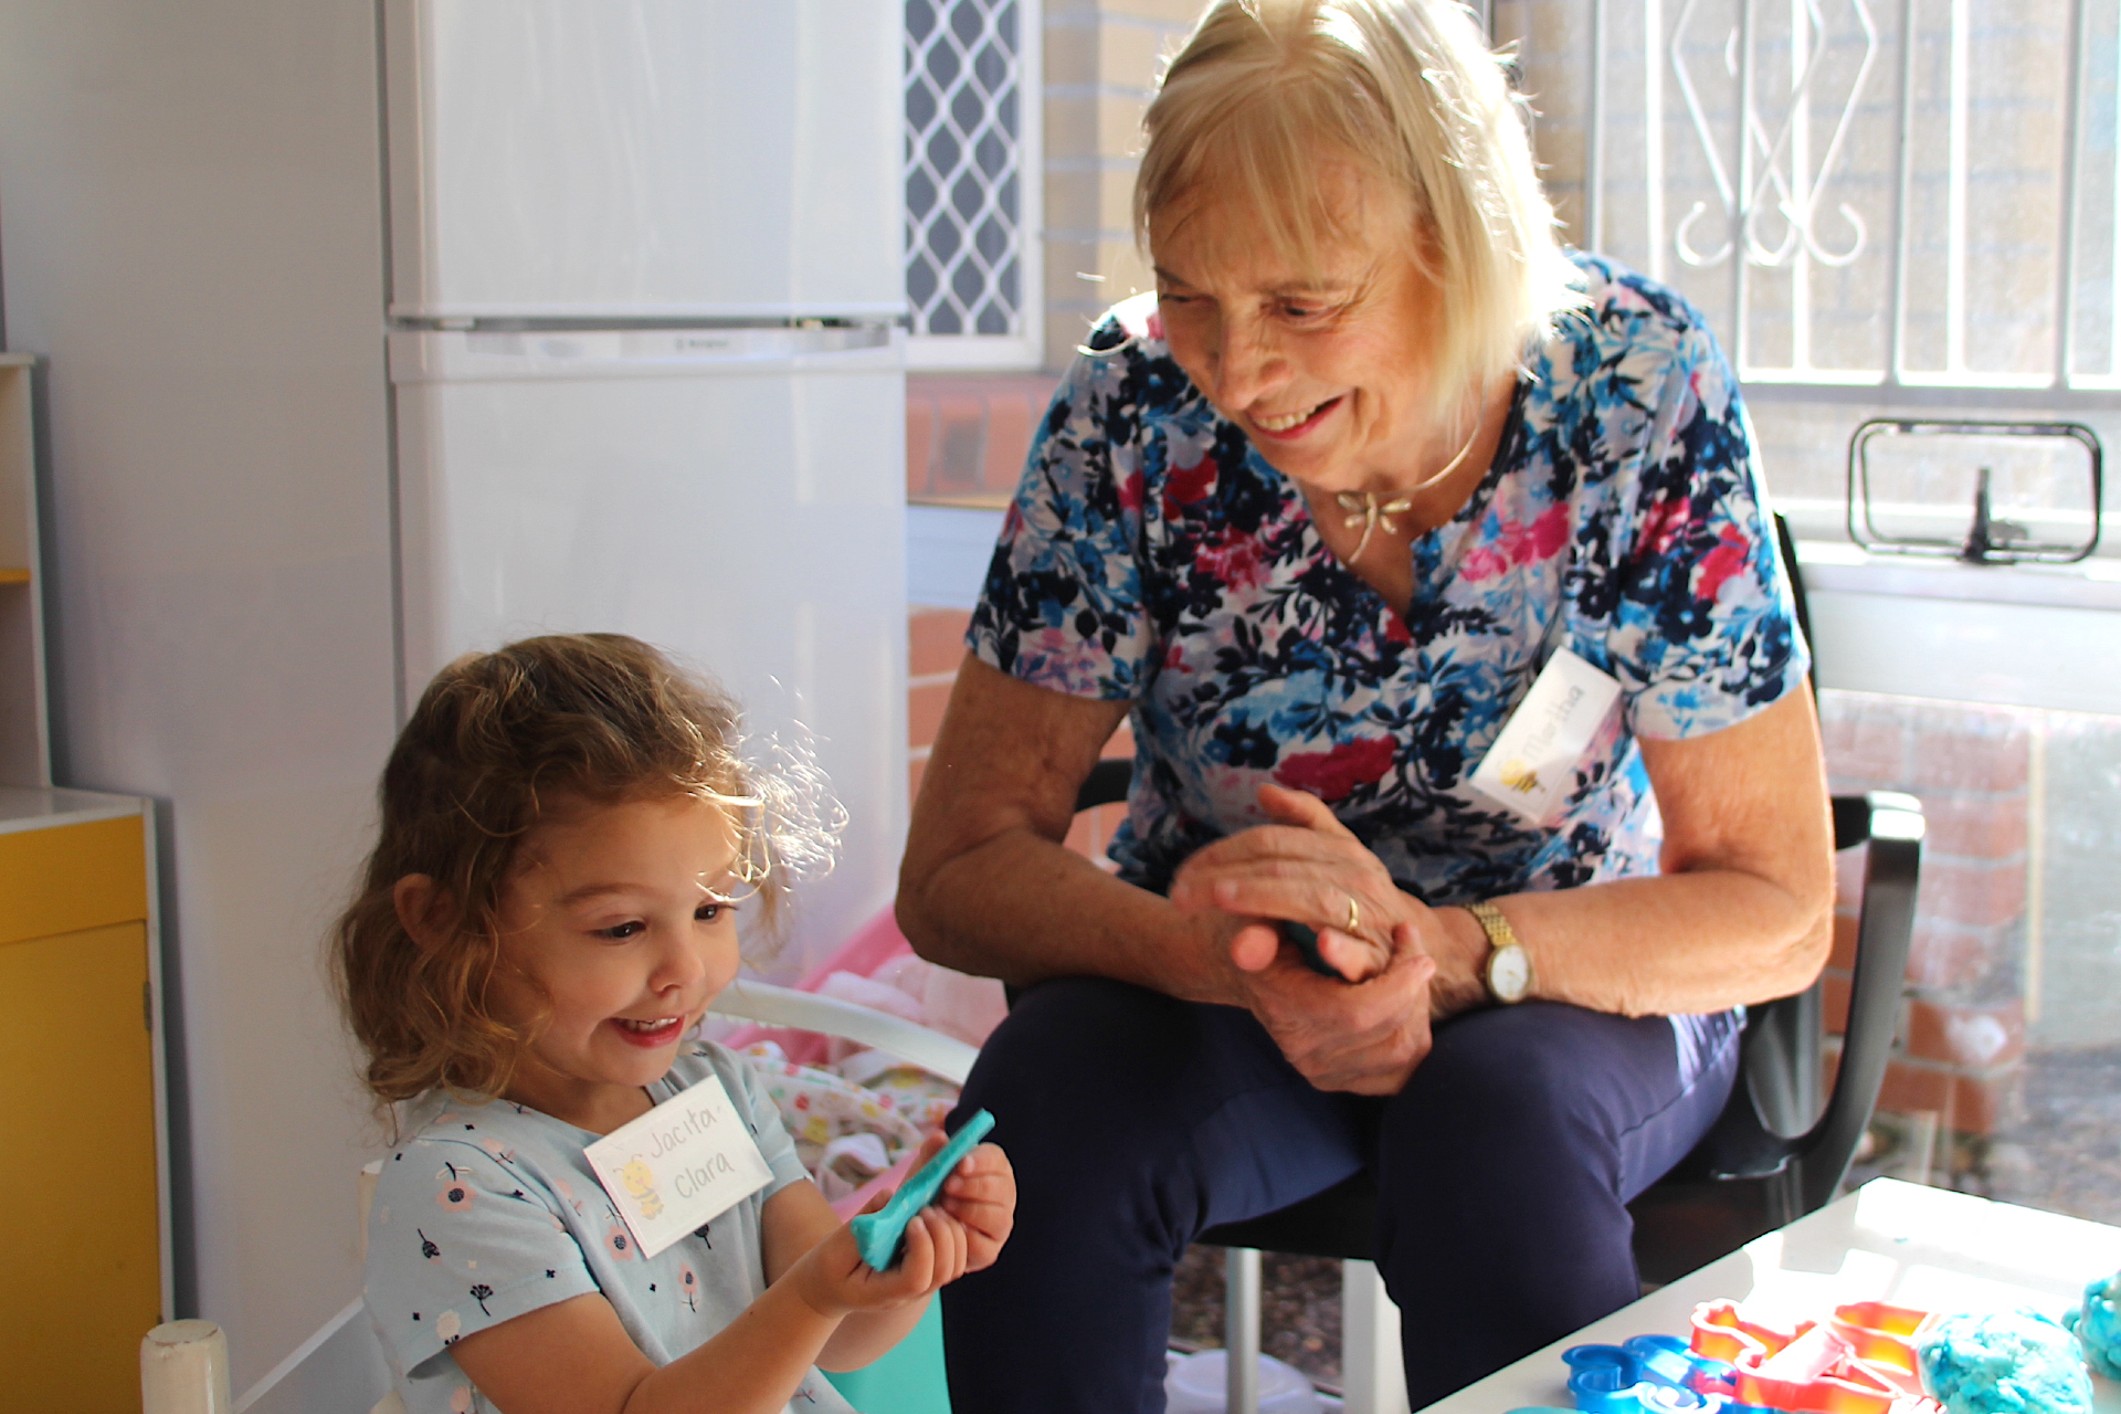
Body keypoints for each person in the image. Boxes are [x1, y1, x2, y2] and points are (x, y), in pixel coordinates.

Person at [894, 0, 1835, 1407]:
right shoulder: (1133, 406)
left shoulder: (1636, 391)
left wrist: (1450, 950)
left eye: (1299, 302)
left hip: (1560, 963)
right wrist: (1221, 960)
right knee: (1043, 1109)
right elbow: (957, 869)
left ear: (1454, 244)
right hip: (1217, 977)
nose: (1235, 368)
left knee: (1495, 1126)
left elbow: (1777, 902)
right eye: (1190, 292)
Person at [335, 633, 1016, 1414]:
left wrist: (901, 1261)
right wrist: (810, 1298)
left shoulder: (711, 1090)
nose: (684, 970)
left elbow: (837, 1337)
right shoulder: (461, 1189)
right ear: (444, 921)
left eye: (708, 910)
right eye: (621, 928)